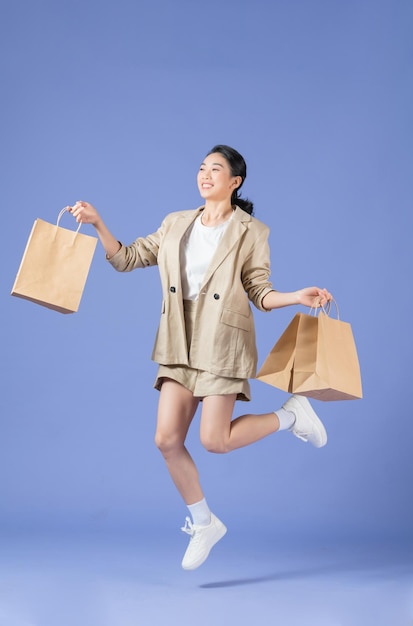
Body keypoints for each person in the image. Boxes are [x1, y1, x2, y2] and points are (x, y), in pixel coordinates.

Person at [67, 144, 332, 571]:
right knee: (167, 440)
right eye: (202, 168)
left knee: (215, 441)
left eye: (216, 169)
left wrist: (296, 297)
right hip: (178, 340)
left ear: (235, 182)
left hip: (222, 341)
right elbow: (128, 258)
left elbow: (259, 291)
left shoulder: (252, 231)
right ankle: (204, 522)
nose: (205, 174)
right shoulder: (175, 223)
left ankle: (291, 416)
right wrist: (99, 223)